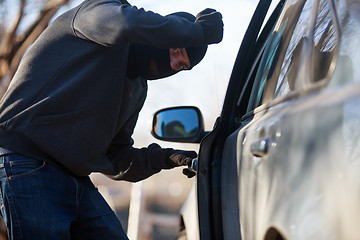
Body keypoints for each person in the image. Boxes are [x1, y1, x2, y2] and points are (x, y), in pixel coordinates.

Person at [0, 0, 223, 239]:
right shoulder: (95, 12)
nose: (174, 65)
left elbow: (115, 157)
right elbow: (125, 23)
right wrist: (197, 32)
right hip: (26, 161)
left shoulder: (136, 87)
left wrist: (165, 158)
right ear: (163, 33)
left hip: (74, 176)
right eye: (177, 51)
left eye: (182, 66)